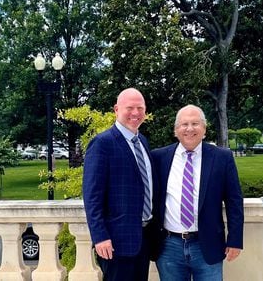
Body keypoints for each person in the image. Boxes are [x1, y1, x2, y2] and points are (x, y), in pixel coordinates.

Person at [151, 105, 244, 280]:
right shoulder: (158, 158)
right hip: (169, 246)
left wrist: (235, 239)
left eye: (195, 123)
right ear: (176, 130)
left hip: (208, 244)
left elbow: (234, 201)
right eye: (184, 124)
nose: (190, 129)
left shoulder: (222, 157)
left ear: (204, 129)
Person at [83, 88, 159, 281]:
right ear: (116, 109)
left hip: (143, 239)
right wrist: (100, 236)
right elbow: (92, 196)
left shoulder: (142, 141)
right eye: (130, 108)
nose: (135, 113)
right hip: (115, 242)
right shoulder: (102, 143)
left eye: (140, 108)